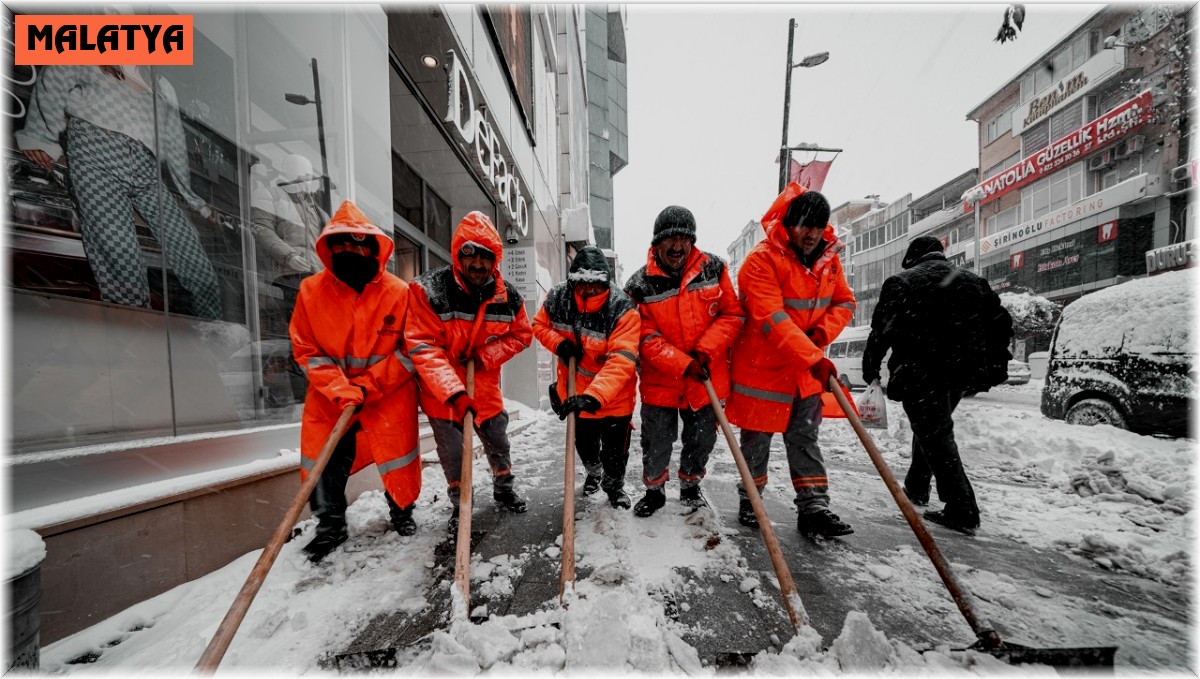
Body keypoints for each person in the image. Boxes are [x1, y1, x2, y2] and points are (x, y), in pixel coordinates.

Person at [15, 65, 222, 319]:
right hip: (95, 152)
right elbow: (54, 78)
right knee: (123, 264)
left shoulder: (162, 84)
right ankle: (137, 340)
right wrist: (40, 136)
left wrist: (193, 200)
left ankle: (212, 334)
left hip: (146, 166)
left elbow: (175, 142)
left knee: (196, 262)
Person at [289, 201, 422, 563]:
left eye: (355, 244)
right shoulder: (310, 292)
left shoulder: (399, 292)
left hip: (388, 393)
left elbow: (410, 351)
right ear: (328, 249)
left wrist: (369, 385)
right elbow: (307, 349)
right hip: (330, 396)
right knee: (324, 459)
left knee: (399, 456)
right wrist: (340, 388)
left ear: (372, 248)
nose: (347, 251)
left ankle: (402, 511)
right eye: (339, 245)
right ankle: (330, 526)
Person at [724, 185, 857, 538]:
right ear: (788, 224)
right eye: (804, 226)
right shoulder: (761, 260)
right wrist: (812, 355)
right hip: (762, 375)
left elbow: (845, 304)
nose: (811, 234)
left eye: (818, 226)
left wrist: (818, 337)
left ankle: (814, 506)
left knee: (805, 439)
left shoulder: (829, 259)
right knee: (757, 445)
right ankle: (751, 499)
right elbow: (771, 318)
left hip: (804, 374)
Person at [861, 236, 1013, 536]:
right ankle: (917, 486)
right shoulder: (972, 281)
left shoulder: (902, 282)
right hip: (960, 373)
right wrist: (986, 362)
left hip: (920, 371)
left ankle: (962, 508)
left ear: (912, 257)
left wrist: (872, 367)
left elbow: (881, 330)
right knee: (932, 428)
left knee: (935, 433)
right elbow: (1001, 324)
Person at [405, 211, 533, 531]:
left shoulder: (508, 298)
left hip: (484, 385)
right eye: (469, 254)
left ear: (496, 260)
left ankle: (503, 489)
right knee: (452, 451)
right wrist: (455, 392)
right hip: (442, 390)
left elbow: (522, 336)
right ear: (458, 254)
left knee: (498, 440)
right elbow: (423, 348)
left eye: (485, 256)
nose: (477, 263)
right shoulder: (429, 291)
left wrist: (486, 355)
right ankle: (461, 503)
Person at [622, 206, 745, 516]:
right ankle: (655, 491)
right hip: (661, 380)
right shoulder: (638, 285)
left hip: (706, 377)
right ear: (656, 243)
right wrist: (681, 363)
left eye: (684, 239)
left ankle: (691, 486)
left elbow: (732, 314)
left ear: (692, 241)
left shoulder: (714, 269)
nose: (677, 246)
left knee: (701, 440)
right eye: (670, 239)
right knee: (656, 441)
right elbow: (644, 338)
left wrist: (705, 350)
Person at [532, 246, 641, 509]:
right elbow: (538, 325)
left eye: (595, 285)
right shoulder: (558, 299)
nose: (588, 291)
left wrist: (594, 396)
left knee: (616, 454)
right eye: (582, 284)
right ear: (573, 281)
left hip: (614, 399)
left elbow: (621, 360)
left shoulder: (621, 308)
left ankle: (614, 487)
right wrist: (559, 344)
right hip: (575, 395)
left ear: (606, 281)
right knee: (586, 448)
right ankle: (594, 472)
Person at [250, 153, 328, 339]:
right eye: (304, 175)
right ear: (291, 172)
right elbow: (261, 229)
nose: (308, 180)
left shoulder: (313, 205)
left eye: (310, 176)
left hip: (317, 276)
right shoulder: (268, 194)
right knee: (300, 329)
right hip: (289, 275)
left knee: (321, 329)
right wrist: (289, 255)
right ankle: (298, 363)